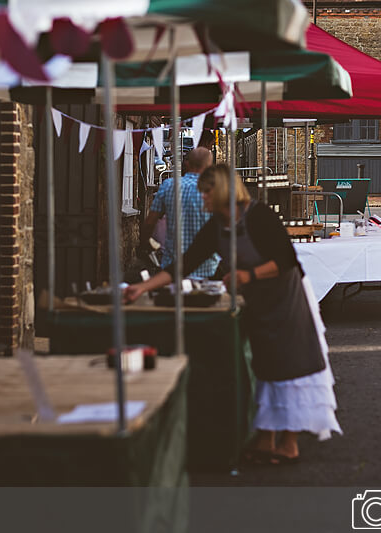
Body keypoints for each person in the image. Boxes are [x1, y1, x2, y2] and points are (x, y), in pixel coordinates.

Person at [125, 164, 341, 465]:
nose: (203, 199)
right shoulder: (217, 225)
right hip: (256, 300)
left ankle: (289, 444)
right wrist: (141, 288)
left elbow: (287, 260)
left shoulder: (259, 216)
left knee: (290, 366)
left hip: (285, 298)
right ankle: (266, 439)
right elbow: (183, 265)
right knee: (265, 365)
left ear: (223, 190)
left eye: (206, 193)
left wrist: (248, 275)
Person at [140, 147, 219, 278]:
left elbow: (150, 222)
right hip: (208, 266)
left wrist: (144, 245)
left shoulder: (169, 185)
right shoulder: (215, 189)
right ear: (209, 166)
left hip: (173, 267)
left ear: (187, 164)